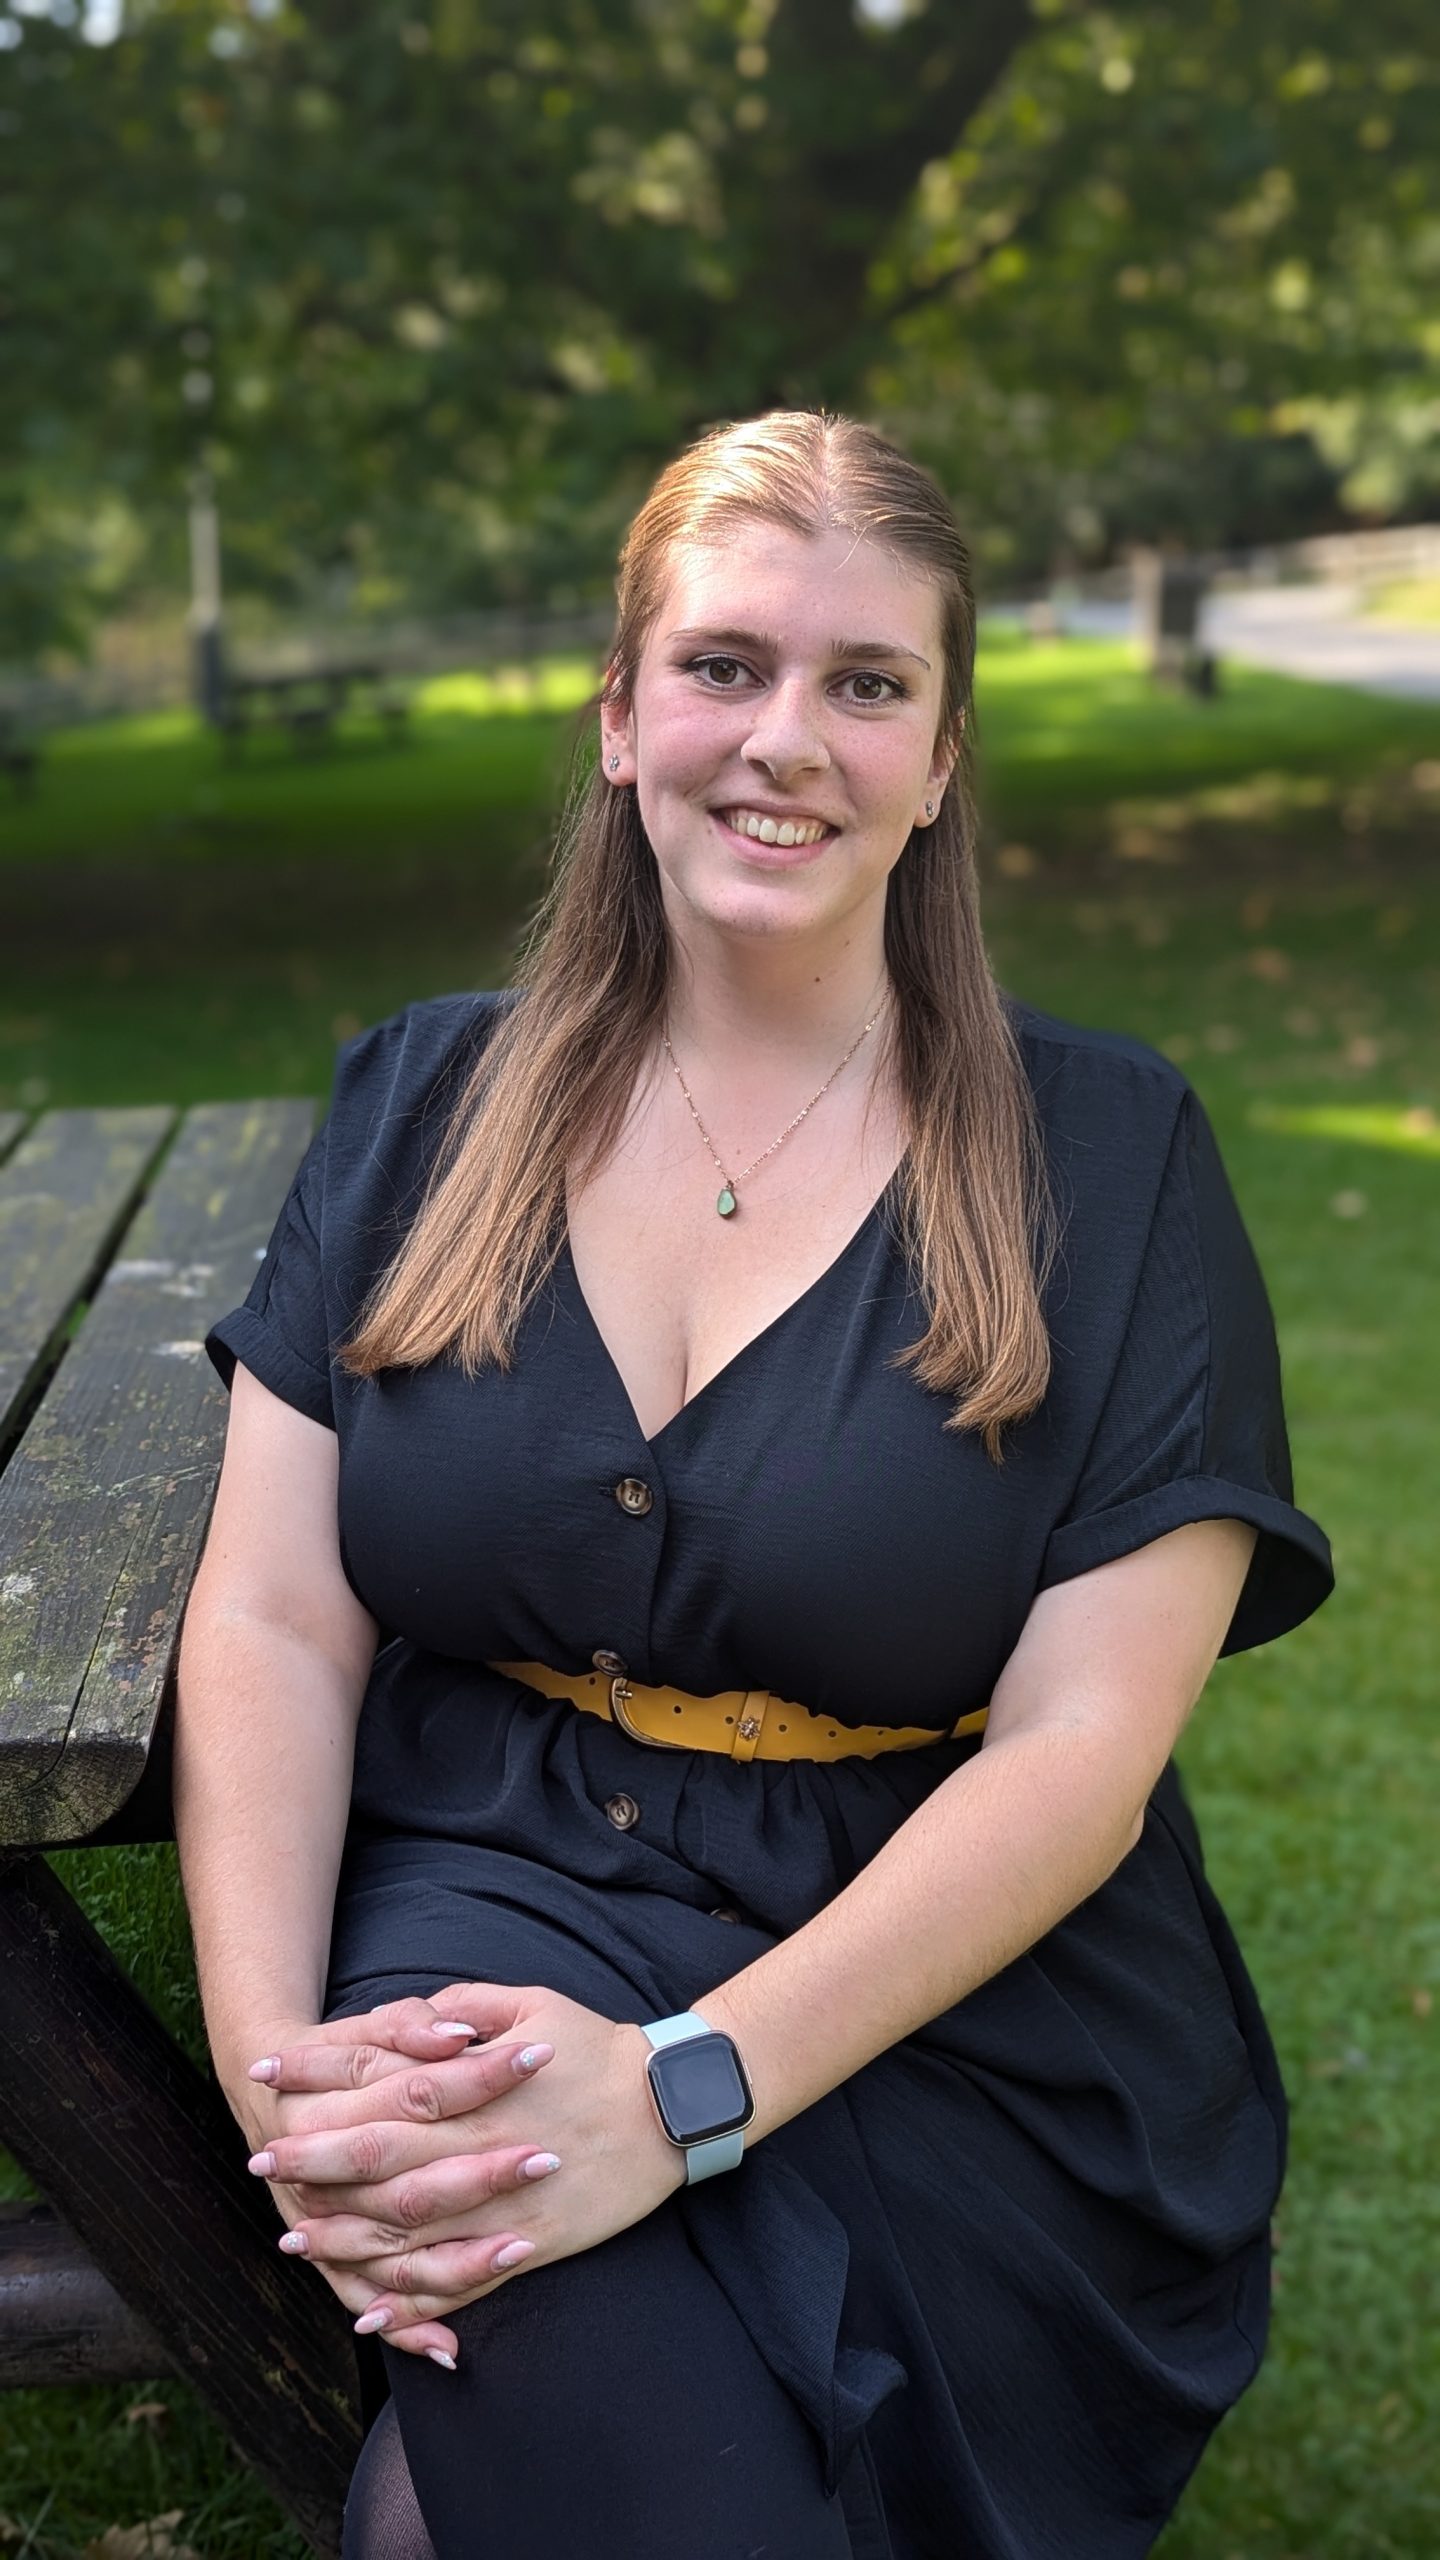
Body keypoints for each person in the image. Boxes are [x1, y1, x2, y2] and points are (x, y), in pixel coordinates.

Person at [178, 408, 1335, 2560]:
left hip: (957, 1983)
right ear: (620, 718)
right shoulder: (426, 1095)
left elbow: (1086, 1744)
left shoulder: (1113, 1155)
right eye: (723, 665)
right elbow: (271, 1610)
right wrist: (283, 2085)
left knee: (445, 2513)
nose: (784, 738)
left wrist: (684, 2086)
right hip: (497, 1870)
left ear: (944, 751)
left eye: (866, 682)